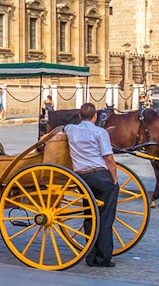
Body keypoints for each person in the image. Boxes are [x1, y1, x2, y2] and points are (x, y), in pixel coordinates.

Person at [65, 102, 118, 268]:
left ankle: (91, 256)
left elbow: (60, 129)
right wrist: (114, 180)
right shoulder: (100, 132)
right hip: (100, 177)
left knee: (90, 216)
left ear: (80, 116)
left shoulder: (70, 129)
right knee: (105, 218)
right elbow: (108, 158)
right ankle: (103, 258)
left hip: (81, 178)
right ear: (95, 116)